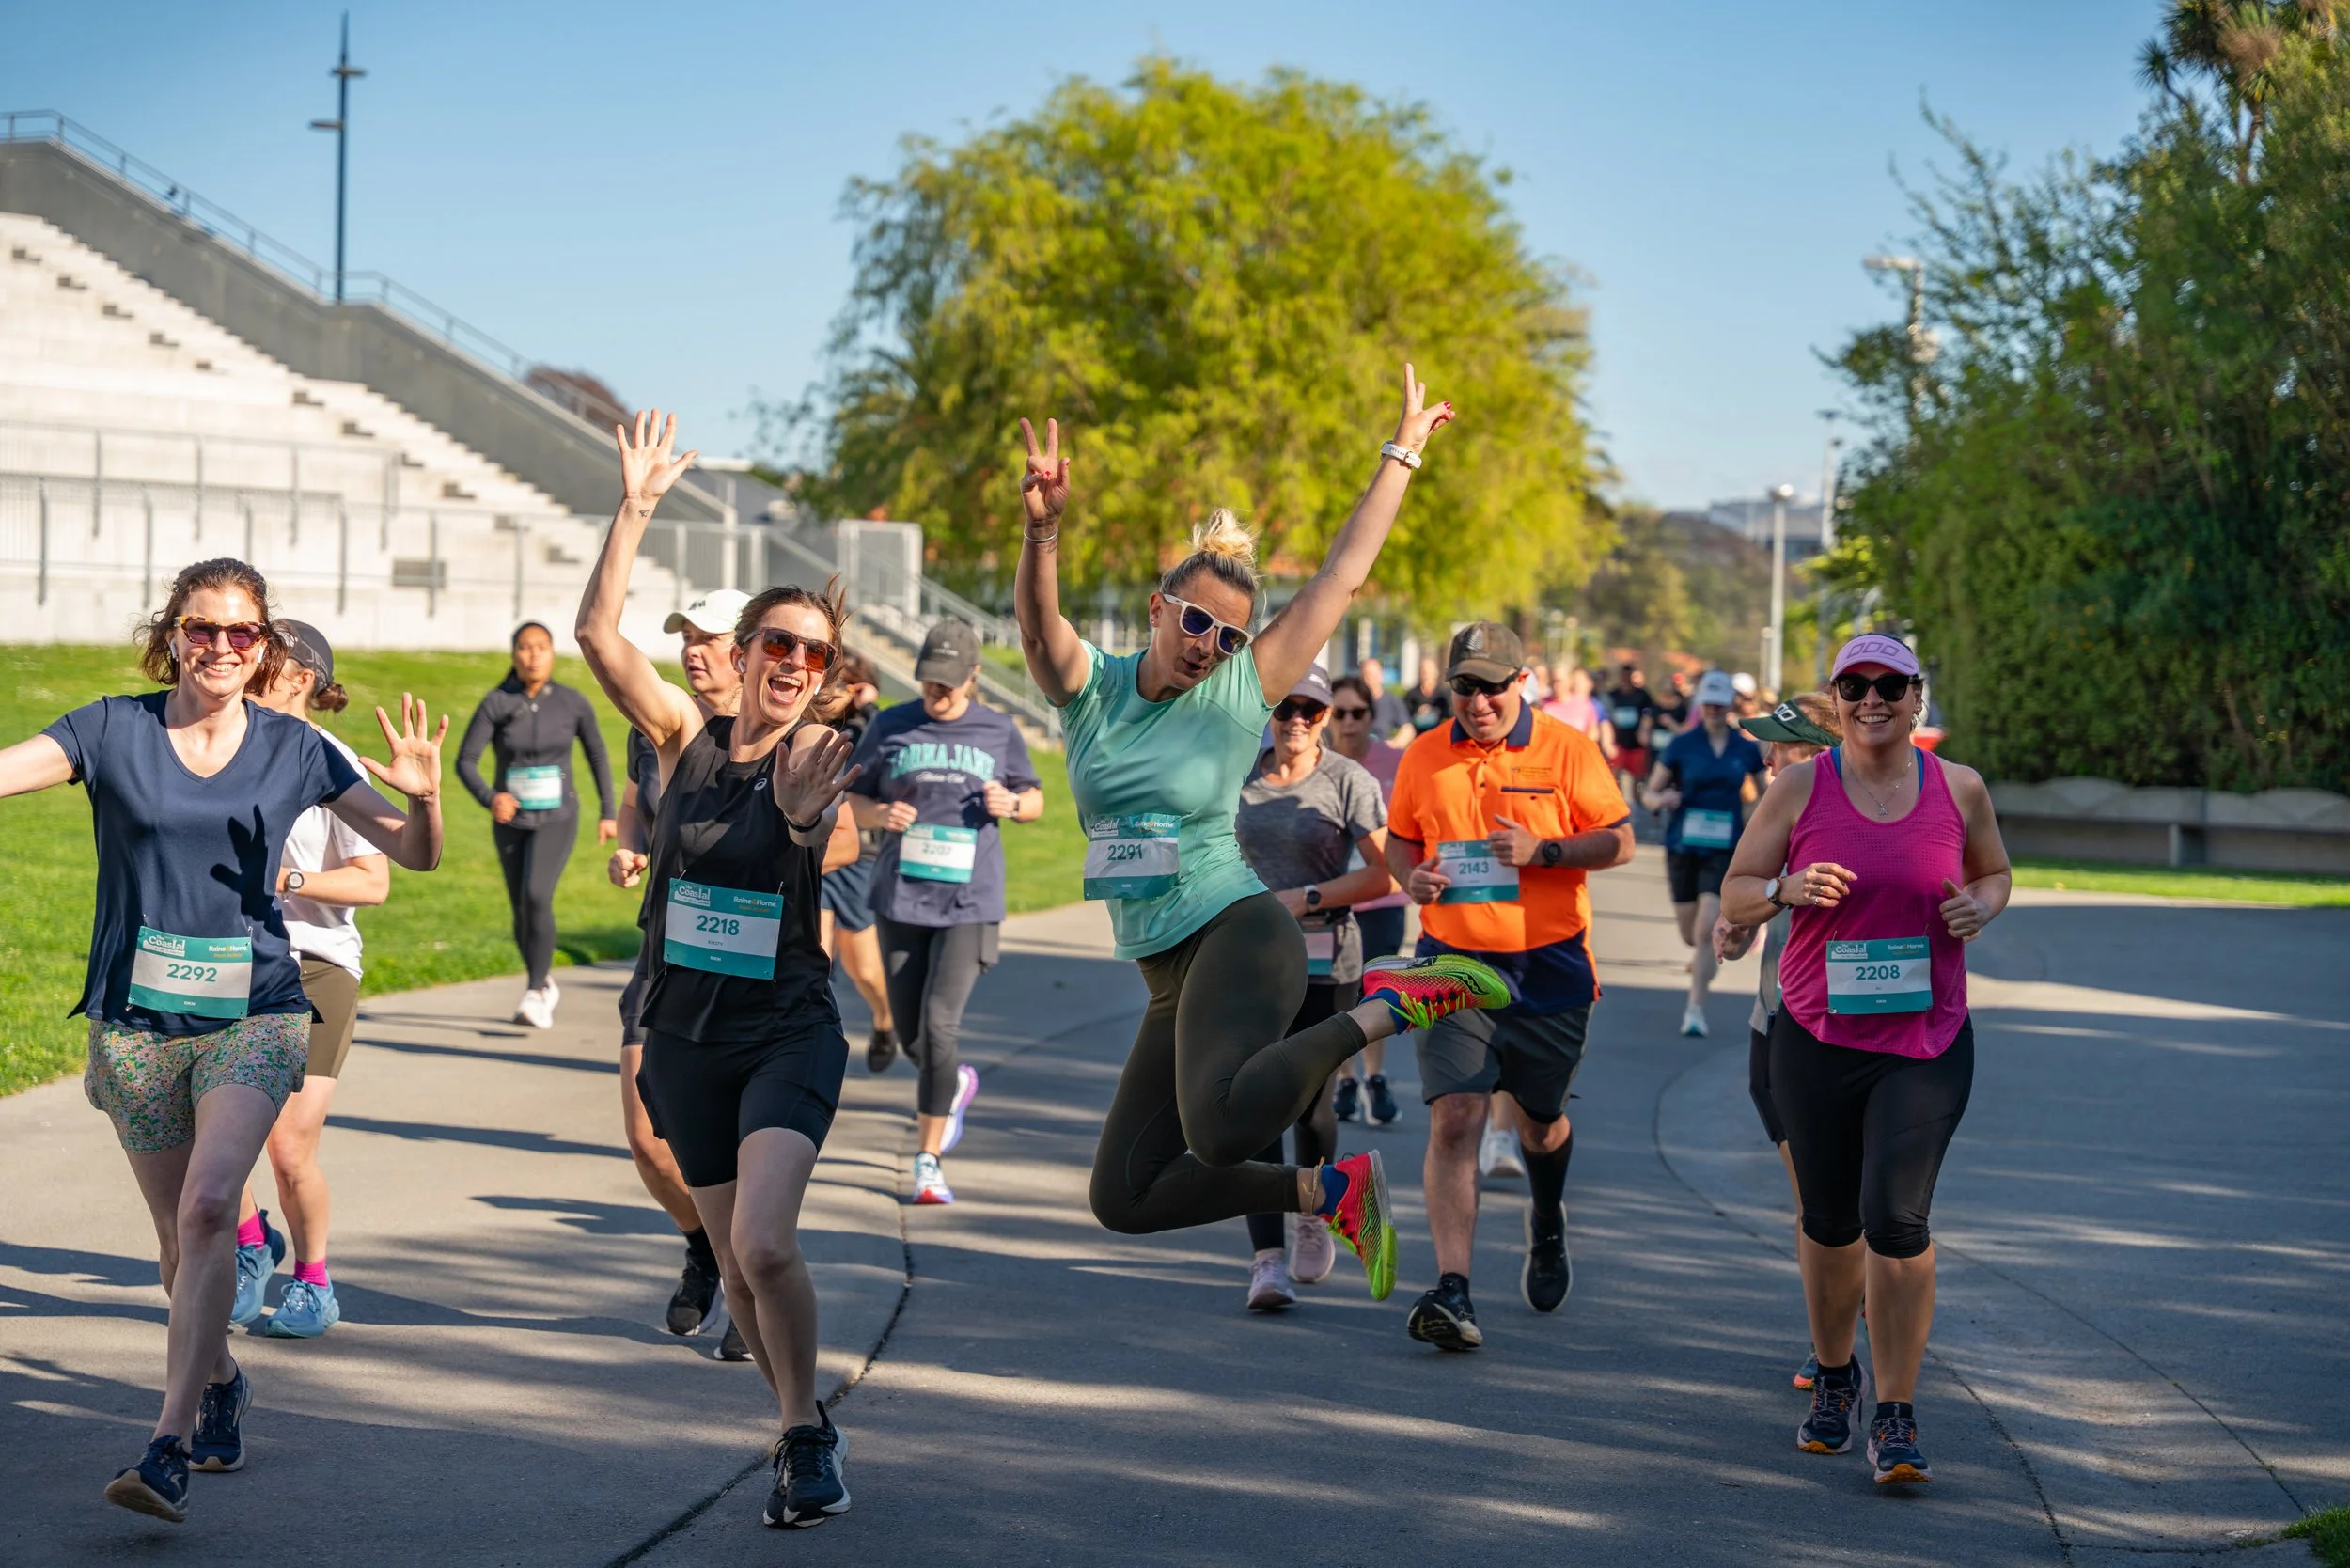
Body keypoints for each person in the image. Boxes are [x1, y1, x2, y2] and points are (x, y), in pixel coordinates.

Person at [1011, 365, 1514, 1306]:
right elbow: (1039, 631)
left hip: (1237, 931)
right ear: (1159, 608)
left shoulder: (1239, 694)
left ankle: (1389, 1007)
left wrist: (1402, 448)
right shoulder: (1095, 691)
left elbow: (1340, 577)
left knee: (1223, 1127)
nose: (1207, 644)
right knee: (1123, 1194)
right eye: (1195, 621)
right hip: (1166, 962)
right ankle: (1331, 1190)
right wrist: (1043, 533)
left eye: (1229, 636)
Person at [0, 557, 446, 1522]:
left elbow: (410, 854)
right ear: (173, 634)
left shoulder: (295, 747)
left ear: (263, 646)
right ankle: (223, 1379)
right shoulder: (110, 728)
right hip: (137, 1021)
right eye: (203, 629)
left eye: (242, 634)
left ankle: (167, 1443)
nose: (221, 648)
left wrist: (426, 798)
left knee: (210, 1209)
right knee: (177, 1243)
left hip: (258, 1010)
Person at [576, 411, 863, 1530]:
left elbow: (821, 834)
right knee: (737, 1276)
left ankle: (800, 1431)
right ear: (740, 657)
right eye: (776, 646)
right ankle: (803, 1420)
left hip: (786, 1034)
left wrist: (802, 821)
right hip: (685, 1044)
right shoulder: (682, 742)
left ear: (826, 676)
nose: (794, 665)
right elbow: (602, 639)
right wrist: (636, 506)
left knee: (763, 1241)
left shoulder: (818, 763)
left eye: (814, 655)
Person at [1721, 633, 2013, 1487]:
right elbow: (1740, 890)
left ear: (1917, 697)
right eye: (1856, 686)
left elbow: (1995, 872)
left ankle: (1896, 1411)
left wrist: (1981, 908)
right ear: (1837, 699)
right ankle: (1834, 1371)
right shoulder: (1799, 788)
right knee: (1828, 1220)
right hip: (1816, 1039)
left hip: (1925, 1042)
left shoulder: (1959, 788)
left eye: (1890, 685)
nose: (1873, 699)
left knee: (1897, 1221)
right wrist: (1783, 891)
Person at [1385, 620, 1634, 1349]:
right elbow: (1401, 841)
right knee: (1455, 1116)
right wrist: (1413, 877)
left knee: (1539, 1120)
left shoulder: (1567, 748)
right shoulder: (1424, 755)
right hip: (1451, 964)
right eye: (1466, 686)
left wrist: (1544, 849)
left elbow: (1620, 840)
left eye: (1494, 685)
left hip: (1549, 968)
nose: (1480, 700)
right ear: (1450, 687)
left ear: (1519, 683)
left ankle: (1547, 1217)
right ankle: (1453, 1289)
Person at [225, 622, 389, 1342]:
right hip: (232, 956)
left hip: (317, 960)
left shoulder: (330, 759)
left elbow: (375, 879)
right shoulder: (220, 744)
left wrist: (288, 880)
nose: (247, 656)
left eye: (268, 651)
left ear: (300, 677)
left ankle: (314, 1281)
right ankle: (249, 1245)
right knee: (216, 1136)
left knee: (290, 1145)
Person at [845, 619, 1043, 1206]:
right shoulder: (891, 724)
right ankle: (952, 1081)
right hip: (902, 895)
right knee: (912, 1033)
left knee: (938, 1025)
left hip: (969, 901)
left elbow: (1034, 797)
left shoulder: (998, 729)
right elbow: (851, 798)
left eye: (950, 684)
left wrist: (1012, 803)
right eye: (930, 681)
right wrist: (880, 815)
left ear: (975, 677)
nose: (938, 693)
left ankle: (927, 1161)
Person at [609, 588, 753, 1357]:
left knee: (727, 1138)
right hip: (665, 949)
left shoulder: (780, 733)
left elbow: (838, 842)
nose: (693, 650)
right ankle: (701, 1242)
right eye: (685, 637)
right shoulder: (658, 721)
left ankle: (740, 1283)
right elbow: (641, 801)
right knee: (646, 1134)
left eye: (709, 637)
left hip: (746, 960)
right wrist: (633, 844)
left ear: (750, 648)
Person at [1229, 665, 1395, 1310]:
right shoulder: (1239, 772)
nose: (1297, 719)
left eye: (1313, 710)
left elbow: (1383, 876)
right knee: (1254, 1102)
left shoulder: (1347, 780)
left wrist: (1306, 897)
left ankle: (1313, 1209)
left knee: (1310, 1104)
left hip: (1328, 962)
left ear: (1327, 718)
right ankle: (1265, 1260)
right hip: (1247, 960)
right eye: (1287, 707)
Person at [1712, 691, 1842, 1389]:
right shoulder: (1781, 807)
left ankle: (1837, 1347)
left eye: (1781, 746)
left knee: (1826, 1203)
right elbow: (1754, 898)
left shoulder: (1846, 815)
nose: (1766, 760)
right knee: (1811, 1201)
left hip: (1826, 1026)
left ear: (1821, 752)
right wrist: (1739, 927)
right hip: (1774, 1019)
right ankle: (1830, 1336)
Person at [455, 621, 617, 1029]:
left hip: (558, 817)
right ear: (514, 654)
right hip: (511, 820)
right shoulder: (497, 702)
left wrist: (609, 813)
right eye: (525, 648)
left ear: (552, 653)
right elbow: (465, 761)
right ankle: (542, 980)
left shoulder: (571, 702)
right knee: (520, 907)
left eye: (541, 647)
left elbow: (598, 756)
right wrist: (492, 799)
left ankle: (535, 990)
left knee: (536, 894)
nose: (533, 655)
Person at [1641, 668, 1769, 1038]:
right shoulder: (1682, 744)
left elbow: (1765, 797)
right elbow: (1649, 793)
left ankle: (1694, 1008)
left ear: (1729, 705)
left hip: (1725, 847)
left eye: (1719, 704)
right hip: (1683, 845)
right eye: (1708, 703)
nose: (1713, 709)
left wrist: (1760, 824)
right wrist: (1662, 798)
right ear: (1701, 705)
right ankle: (1703, 960)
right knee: (1688, 932)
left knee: (1704, 927)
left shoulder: (1745, 748)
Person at [1324, 673, 1406, 1127]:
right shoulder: (1314, 764)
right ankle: (1346, 1079)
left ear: (1372, 717)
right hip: (1333, 897)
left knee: (1378, 991)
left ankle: (1376, 1077)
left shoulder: (1395, 761)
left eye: (1358, 713)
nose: (1349, 722)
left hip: (1385, 896)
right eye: (1339, 713)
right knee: (1338, 992)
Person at [814, 652, 899, 1072]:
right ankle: (813, 1042)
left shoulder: (877, 726)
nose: (843, 691)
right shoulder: (819, 722)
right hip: (819, 853)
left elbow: (874, 760)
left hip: (862, 855)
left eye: (854, 684)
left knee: (864, 967)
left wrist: (867, 706)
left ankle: (885, 1019)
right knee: (817, 957)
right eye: (838, 682)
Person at [1603, 663, 1653, 797]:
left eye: (1628, 675)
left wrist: (1644, 729)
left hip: (1636, 743)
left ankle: (1637, 805)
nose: (1626, 679)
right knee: (1614, 777)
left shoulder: (1642, 695)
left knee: (1637, 780)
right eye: (1623, 676)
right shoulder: (1612, 695)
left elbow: (1649, 713)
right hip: (1618, 742)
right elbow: (1606, 715)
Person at [1356, 657, 1413, 744]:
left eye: (1373, 676)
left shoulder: (1392, 700)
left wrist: (1393, 745)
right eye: (1366, 676)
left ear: (1381, 676)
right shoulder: (1354, 702)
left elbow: (1408, 730)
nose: (1369, 680)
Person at [1402, 653, 1449, 735]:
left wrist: (1434, 711)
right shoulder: (1412, 694)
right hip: (1417, 734)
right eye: (1424, 672)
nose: (1426, 675)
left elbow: (1448, 715)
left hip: (1438, 733)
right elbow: (1404, 715)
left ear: (1436, 673)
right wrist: (1418, 712)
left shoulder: (1443, 694)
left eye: (1429, 672)